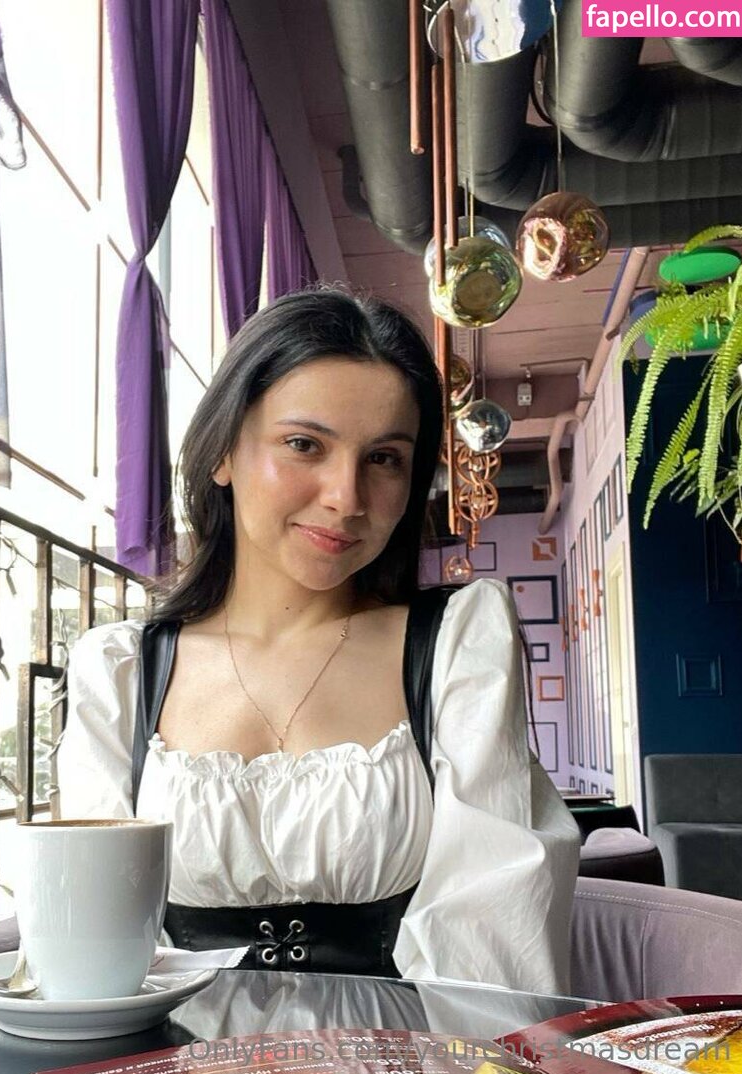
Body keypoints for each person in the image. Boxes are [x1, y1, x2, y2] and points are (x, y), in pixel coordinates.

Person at [57, 288, 580, 994]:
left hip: (410, 1046)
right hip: (174, 1047)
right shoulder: (122, 669)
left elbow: (492, 933)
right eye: (304, 445)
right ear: (223, 452)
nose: (346, 497)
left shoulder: (454, 644)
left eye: (384, 458)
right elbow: (89, 938)